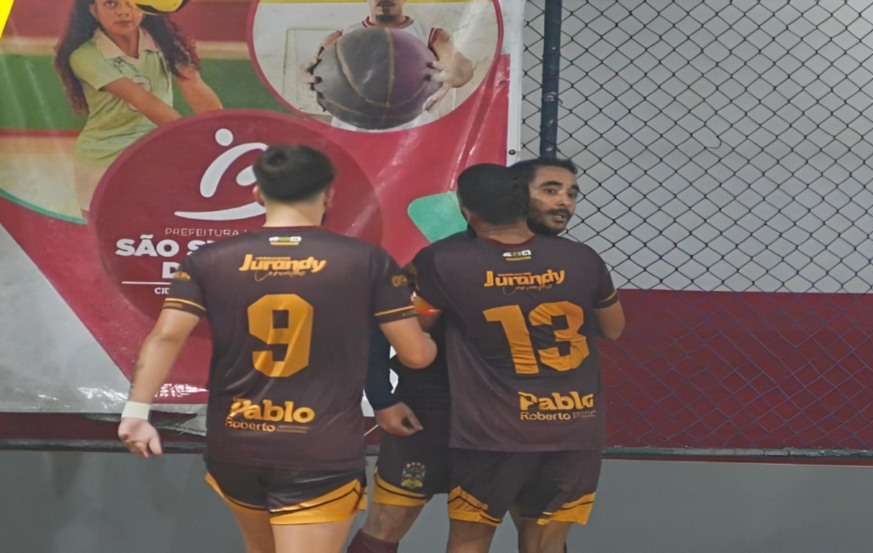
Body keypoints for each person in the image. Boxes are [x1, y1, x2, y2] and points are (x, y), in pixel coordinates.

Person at [117, 144, 437, 553]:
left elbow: (165, 337)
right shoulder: (366, 261)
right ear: (329, 195)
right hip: (317, 449)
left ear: (256, 193)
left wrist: (136, 412)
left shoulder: (209, 259)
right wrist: (429, 334)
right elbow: (415, 356)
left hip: (236, 444)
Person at [347, 158, 584, 553]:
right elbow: (382, 324)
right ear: (515, 196)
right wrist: (382, 398)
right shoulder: (441, 259)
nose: (563, 202)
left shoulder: (573, 264)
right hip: (433, 414)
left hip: (521, 422)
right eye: (550, 190)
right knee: (388, 522)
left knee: (539, 535)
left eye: (572, 194)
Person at [410, 163, 625, 553]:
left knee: (470, 539)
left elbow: (415, 331)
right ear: (524, 204)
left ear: (465, 210)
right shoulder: (582, 259)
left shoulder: (444, 260)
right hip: (574, 425)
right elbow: (613, 327)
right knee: (546, 543)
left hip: (493, 432)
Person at [54, 0, 222, 218]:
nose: (124, 12)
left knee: (157, 233)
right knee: (100, 237)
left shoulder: (164, 42)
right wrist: (190, 137)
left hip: (154, 153)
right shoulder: (84, 55)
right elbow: (142, 101)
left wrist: (222, 131)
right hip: (103, 157)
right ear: (93, 10)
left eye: (132, 3)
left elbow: (193, 85)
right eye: (111, 4)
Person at [303, 0, 474, 131]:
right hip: (354, 131)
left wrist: (456, 72)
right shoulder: (339, 39)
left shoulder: (432, 37)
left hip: (412, 134)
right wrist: (306, 75)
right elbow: (312, 76)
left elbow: (461, 69)